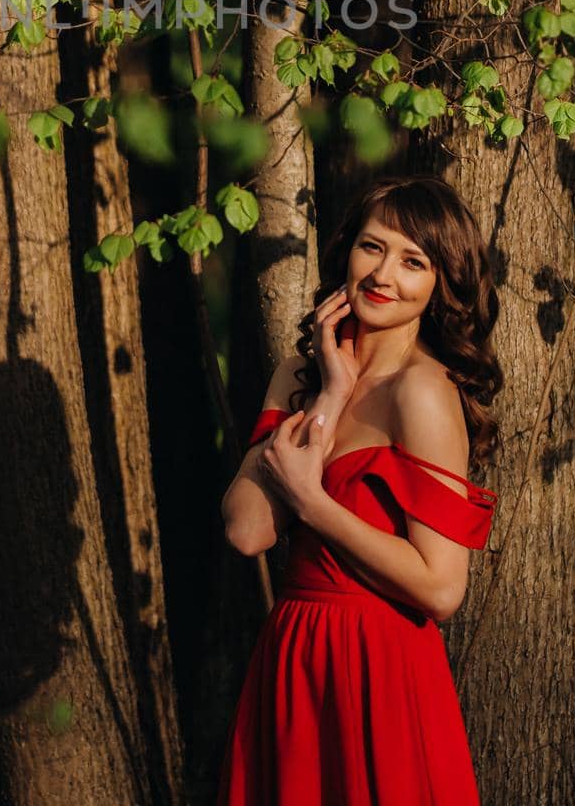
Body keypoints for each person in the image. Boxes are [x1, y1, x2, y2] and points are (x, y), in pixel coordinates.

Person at [217, 174, 504, 806]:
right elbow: (247, 530)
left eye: (413, 261)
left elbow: (442, 587)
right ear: (347, 249)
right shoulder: (300, 372)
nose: (384, 275)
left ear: (440, 284)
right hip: (293, 656)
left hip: (381, 664)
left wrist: (313, 504)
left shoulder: (422, 392)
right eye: (372, 247)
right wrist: (330, 394)